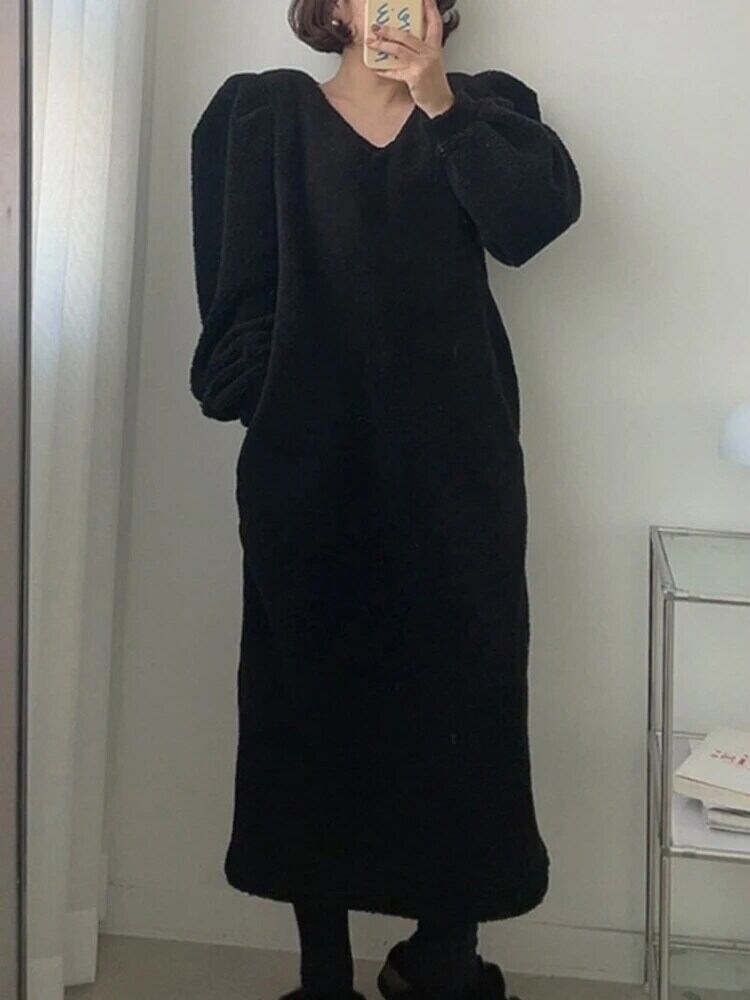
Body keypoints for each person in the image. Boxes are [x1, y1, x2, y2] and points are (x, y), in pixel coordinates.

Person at [189, 0, 582, 997]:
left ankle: (443, 959)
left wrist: (441, 101)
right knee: (305, 702)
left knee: (467, 699)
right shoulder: (263, 115)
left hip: (459, 473)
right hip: (309, 466)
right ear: (332, 7)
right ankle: (324, 975)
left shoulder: (487, 110)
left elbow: (530, 226)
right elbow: (235, 299)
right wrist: (280, 404)